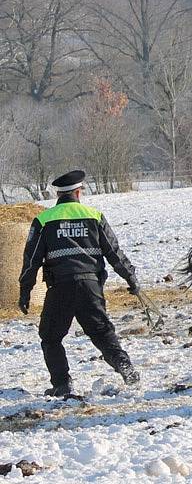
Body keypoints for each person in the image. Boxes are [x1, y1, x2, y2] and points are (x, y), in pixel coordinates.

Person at [18, 170, 141, 397]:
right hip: (91, 287)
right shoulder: (94, 216)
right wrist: (131, 279)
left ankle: (62, 384)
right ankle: (125, 366)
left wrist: (25, 291)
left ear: (58, 194)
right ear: (78, 192)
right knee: (102, 332)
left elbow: (31, 259)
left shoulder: (44, 220)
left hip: (60, 289)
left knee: (51, 337)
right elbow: (114, 252)